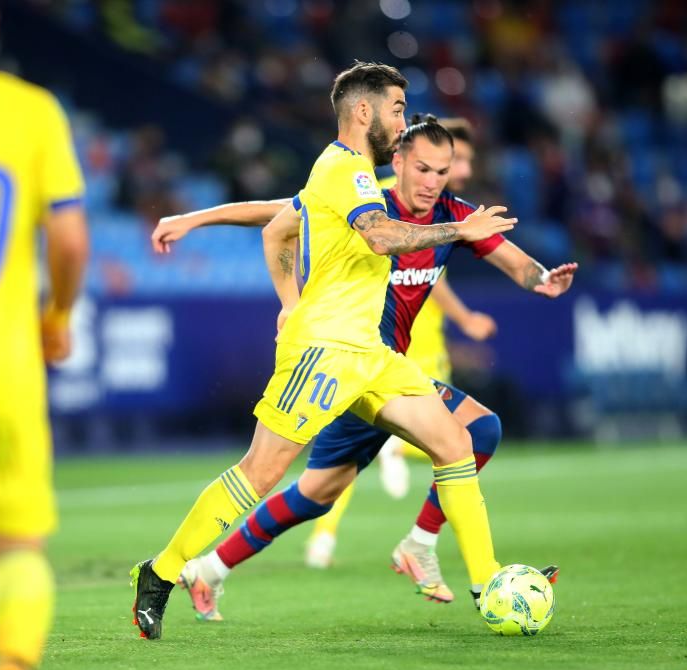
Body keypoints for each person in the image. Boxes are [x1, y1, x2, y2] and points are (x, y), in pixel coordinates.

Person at [131, 61, 517, 640]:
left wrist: (284, 295)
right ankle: (159, 574)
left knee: (457, 440)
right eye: (396, 110)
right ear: (364, 112)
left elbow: (275, 229)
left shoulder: (345, 175)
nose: (401, 122)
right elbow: (381, 237)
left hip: (369, 353)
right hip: (326, 351)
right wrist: (456, 232)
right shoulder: (344, 170)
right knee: (260, 474)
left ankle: (489, 586)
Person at [304, 118, 496, 569]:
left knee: (462, 436)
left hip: (419, 343)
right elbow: (291, 214)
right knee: (451, 436)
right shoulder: (376, 196)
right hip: (371, 345)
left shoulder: (449, 206)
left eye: (456, 165)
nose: (456, 172)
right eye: (449, 163)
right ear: (406, 160)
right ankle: (436, 551)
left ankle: (446, 555)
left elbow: (437, 271)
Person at [0, 1, 90, 670]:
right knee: (17, 548)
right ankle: (16, 663)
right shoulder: (30, 111)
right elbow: (72, 240)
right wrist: (56, 314)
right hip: (3, 364)